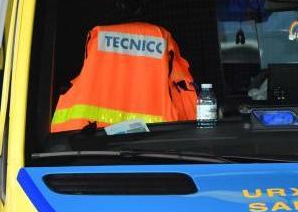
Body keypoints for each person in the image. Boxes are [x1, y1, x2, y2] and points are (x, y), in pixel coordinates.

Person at [51, 22, 197, 132]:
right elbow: (194, 123)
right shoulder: (165, 45)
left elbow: (59, 140)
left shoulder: (96, 41)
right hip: (161, 156)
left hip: (81, 159)